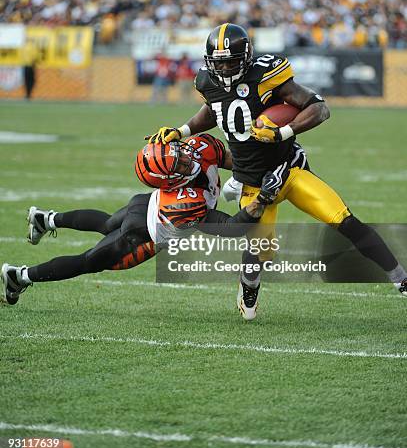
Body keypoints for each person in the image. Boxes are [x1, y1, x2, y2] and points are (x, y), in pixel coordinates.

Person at [147, 23, 407, 320]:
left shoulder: (267, 74)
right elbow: (214, 110)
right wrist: (182, 130)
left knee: (344, 220)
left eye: (231, 61)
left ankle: (401, 278)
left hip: (289, 170)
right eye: (219, 63)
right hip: (253, 184)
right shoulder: (208, 81)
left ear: (246, 57)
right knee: (261, 251)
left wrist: (284, 132)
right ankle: (248, 285)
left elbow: (319, 107)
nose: (226, 68)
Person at [1, 135, 287, 306]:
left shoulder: (196, 148)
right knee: (88, 261)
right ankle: (19, 275)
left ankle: (46, 219)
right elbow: (232, 228)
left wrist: (258, 174)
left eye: (179, 152)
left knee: (104, 224)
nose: (187, 158)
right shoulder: (185, 202)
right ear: (170, 180)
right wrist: (262, 198)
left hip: (144, 205)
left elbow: (230, 159)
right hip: (141, 231)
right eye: (179, 164)